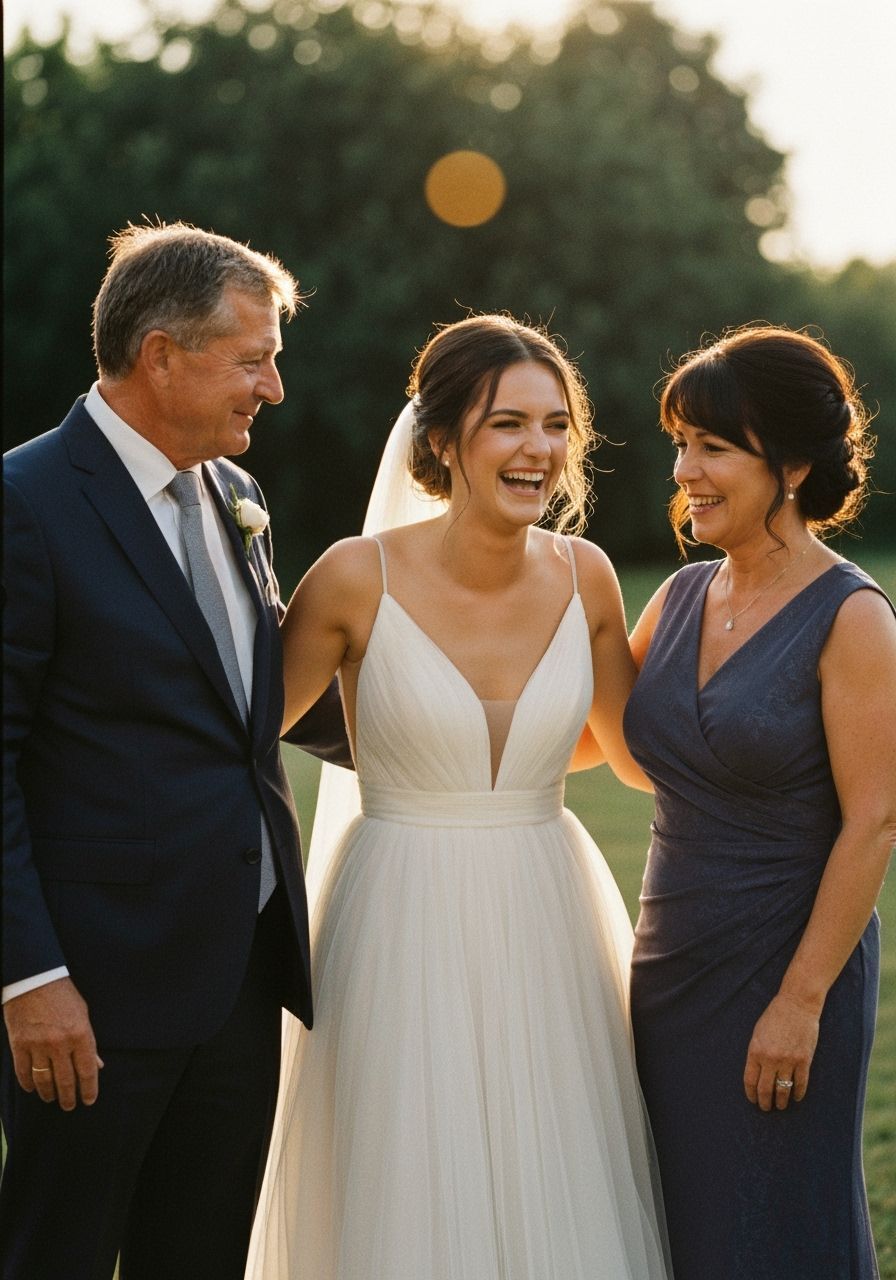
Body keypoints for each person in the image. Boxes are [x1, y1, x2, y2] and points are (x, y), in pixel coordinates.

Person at [245, 314, 671, 1280]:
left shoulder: (589, 576)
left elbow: (633, 754)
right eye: (508, 424)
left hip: (545, 900)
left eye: (557, 425)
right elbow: (239, 730)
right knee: (407, 1164)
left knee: (553, 1153)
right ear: (441, 441)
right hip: (397, 907)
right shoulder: (356, 578)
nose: (541, 450)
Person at [1, 221, 350, 1280]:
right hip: (92, 989)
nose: (274, 388)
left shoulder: (237, 496)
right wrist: (30, 977)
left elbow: (254, 702)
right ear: (160, 355)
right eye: (253, 359)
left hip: (240, 977)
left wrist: (469, 718)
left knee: (200, 1257)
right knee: (55, 1253)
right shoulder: (24, 504)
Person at [624, 325, 896, 1279]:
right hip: (667, 968)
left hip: (784, 972)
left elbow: (877, 820)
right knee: (677, 1227)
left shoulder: (853, 616)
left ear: (788, 465)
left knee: (778, 1226)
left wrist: (800, 1000)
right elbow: (595, 746)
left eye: (713, 447)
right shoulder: (680, 595)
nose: (686, 469)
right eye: (681, 443)